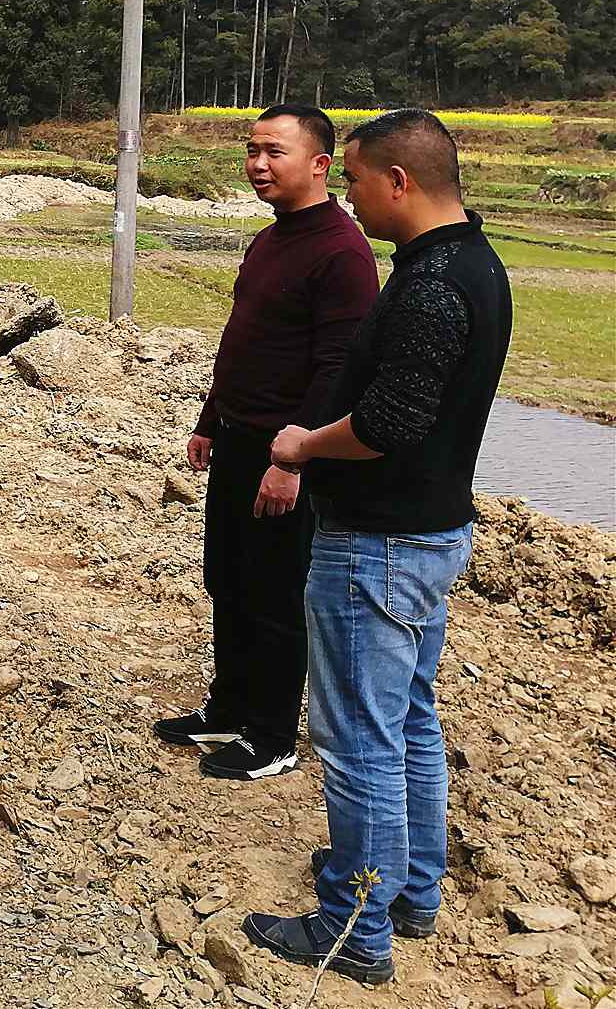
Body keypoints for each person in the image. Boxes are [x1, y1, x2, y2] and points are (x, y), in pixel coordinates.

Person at [243, 110, 512, 988]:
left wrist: (303, 445)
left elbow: (390, 424)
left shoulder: (433, 286)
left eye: (355, 180)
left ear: (398, 180)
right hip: (431, 532)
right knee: (409, 721)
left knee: (359, 738)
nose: (350, 198)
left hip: (380, 545)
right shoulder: (474, 261)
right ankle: (410, 894)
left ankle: (353, 929)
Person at [152, 104, 378, 782]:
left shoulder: (341, 251)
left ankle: (273, 735)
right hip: (240, 440)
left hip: (287, 453)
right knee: (229, 580)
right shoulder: (270, 240)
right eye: (252, 151)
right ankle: (228, 709)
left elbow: (338, 368)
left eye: (275, 152)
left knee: (276, 595)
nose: (258, 165)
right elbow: (244, 341)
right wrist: (209, 418)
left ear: (320, 164)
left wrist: (293, 458)